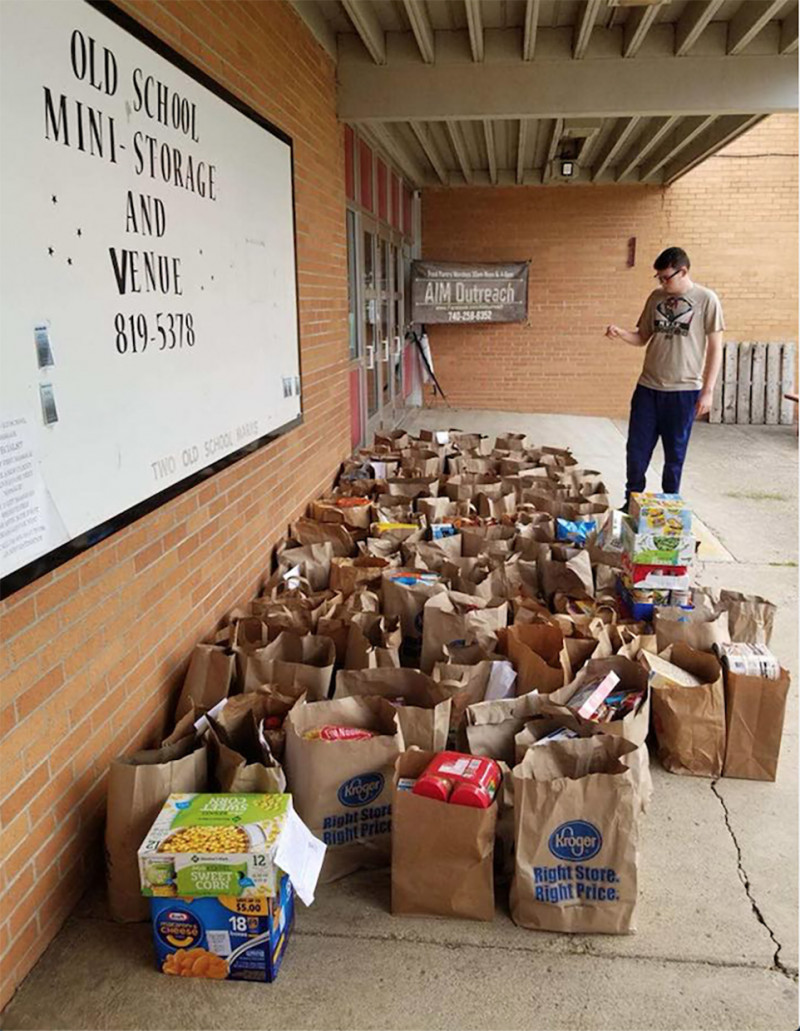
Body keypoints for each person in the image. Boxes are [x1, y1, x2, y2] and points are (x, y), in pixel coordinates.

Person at [605, 246, 724, 510]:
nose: (662, 282)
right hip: (648, 388)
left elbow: (716, 348)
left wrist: (708, 390)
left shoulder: (707, 300)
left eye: (665, 277)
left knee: (674, 456)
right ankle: (631, 503)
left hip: (683, 391)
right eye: (658, 278)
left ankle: (669, 508)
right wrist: (621, 333)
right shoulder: (655, 298)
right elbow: (642, 337)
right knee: (636, 451)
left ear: (683, 271)